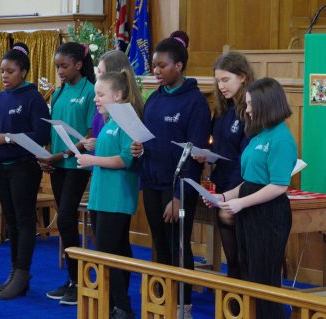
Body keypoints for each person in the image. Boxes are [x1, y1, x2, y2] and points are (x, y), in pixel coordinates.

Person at [130, 31, 211, 318]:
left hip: (177, 188)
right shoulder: (153, 99)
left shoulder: (195, 103)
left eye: (162, 65)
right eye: (154, 65)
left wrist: (179, 196)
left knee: (179, 247)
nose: (156, 70)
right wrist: (139, 148)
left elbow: (195, 155)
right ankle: (165, 300)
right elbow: (150, 139)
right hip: (151, 183)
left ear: (178, 66)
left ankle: (183, 306)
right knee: (160, 245)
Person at [204, 77, 297, 319]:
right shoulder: (259, 135)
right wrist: (224, 196)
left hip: (269, 214)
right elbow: (250, 181)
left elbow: (278, 186)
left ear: (266, 104)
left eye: (250, 104)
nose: (247, 110)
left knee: (264, 279)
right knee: (249, 273)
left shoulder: (281, 138)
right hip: (249, 210)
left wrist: (241, 203)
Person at [0, 42, 50, 300]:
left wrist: (7, 138)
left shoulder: (33, 98)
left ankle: (23, 273)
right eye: (2, 71)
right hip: (0, 166)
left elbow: (41, 134)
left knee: (23, 221)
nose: (4, 76)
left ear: (23, 72)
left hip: (23, 167)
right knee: (10, 221)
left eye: (10, 71)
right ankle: (14, 271)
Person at [76, 70, 143, 319]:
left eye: (101, 94)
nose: (96, 99)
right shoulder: (109, 123)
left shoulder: (126, 119)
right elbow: (111, 149)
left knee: (108, 254)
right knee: (118, 251)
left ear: (118, 95)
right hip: (101, 197)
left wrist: (91, 158)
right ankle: (117, 303)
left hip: (116, 199)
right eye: (95, 94)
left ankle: (122, 306)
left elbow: (126, 159)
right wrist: (95, 146)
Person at [39, 41, 96, 306]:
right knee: (65, 222)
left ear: (79, 65)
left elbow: (89, 135)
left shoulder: (90, 91)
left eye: (64, 66)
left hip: (77, 165)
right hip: (59, 165)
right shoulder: (59, 92)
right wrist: (48, 156)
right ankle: (72, 280)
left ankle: (79, 280)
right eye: (57, 66)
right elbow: (54, 131)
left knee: (65, 220)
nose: (60, 71)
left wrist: (62, 155)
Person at [193, 52, 253, 284]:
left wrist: (231, 193)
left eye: (226, 79)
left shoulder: (248, 111)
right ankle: (234, 289)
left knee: (243, 253)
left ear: (243, 78)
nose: (221, 85)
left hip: (241, 186)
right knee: (232, 257)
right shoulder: (221, 110)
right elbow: (217, 144)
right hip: (221, 182)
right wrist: (205, 158)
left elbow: (245, 157)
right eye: (218, 80)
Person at [82, 50, 143, 152]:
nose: (98, 76)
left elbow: (127, 153)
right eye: (98, 71)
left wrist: (99, 143)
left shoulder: (127, 111)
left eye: (102, 72)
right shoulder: (103, 104)